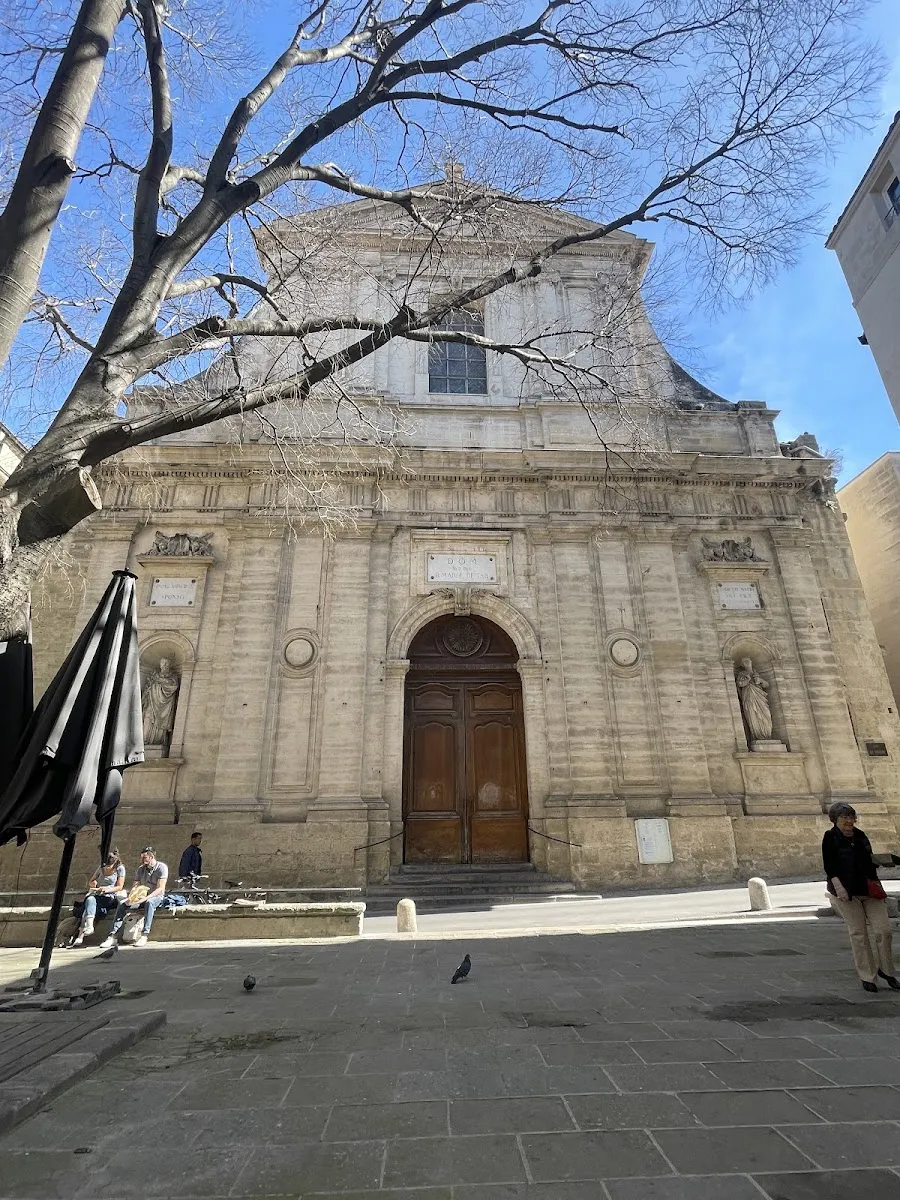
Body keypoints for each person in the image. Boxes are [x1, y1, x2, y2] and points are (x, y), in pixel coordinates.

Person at [823, 802, 900, 993]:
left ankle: (887, 971)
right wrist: (839, 888)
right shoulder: (830, 837)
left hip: (870, 890)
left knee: (884, 930)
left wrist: (884, 861)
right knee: (859, 934)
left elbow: (868, 860)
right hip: (846, 892)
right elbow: (830, 866)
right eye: (844, 817)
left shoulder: (861, 836)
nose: (849, 821)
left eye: (851, 817)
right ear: (835, 820)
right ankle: (867, 976)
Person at [100, 847, 169, 949]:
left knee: (150, 903)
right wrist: (132, 897)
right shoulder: (141, 869)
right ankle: (113, 936)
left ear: (151, 857)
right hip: (141, 897)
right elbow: (135, 886)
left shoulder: (161, 867)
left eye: (144, 858)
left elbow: (160, 888)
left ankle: (144, 935)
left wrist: (145, 898)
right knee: (122, 904)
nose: (142, 860)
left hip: (155, 896)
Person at [72, 850, 127, 946]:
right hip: (97, 894)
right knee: (90, 900)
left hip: (110, 897)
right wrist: (93, 884)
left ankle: (81, 935)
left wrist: (106, 889)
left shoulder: (120, 868)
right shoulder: (101, 868)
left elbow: (119, 887)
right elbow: (91, 881)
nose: (107, 867)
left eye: (109, 865)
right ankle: (89, 927)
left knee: (89, 903)